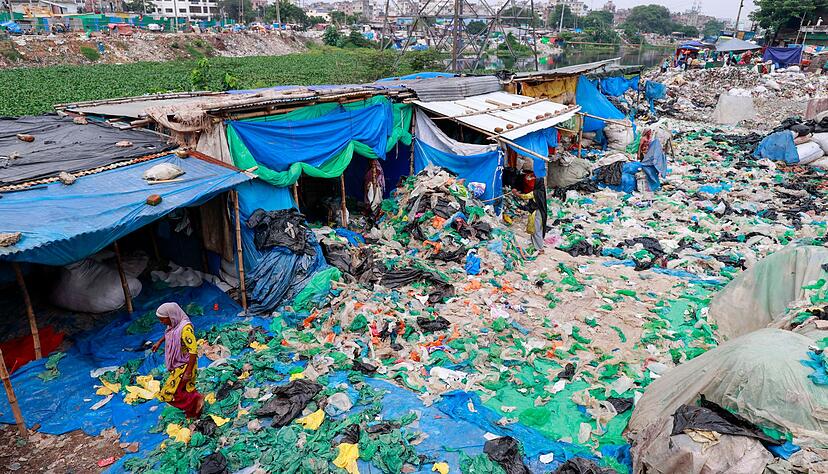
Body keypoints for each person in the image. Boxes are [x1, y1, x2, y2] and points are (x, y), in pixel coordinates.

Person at [152, 302, 204, 419]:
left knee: (170, 392)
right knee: (183, 388)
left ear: (171, 316)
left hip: (185, 364)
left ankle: (197, 400)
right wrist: (159, 342)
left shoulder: (185, 329)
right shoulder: (174, 324)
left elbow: (193, 350)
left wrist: (188, 372)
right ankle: (193, 411)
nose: (162, 322)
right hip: (178, 363)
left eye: (163, 319)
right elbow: (170, 333)